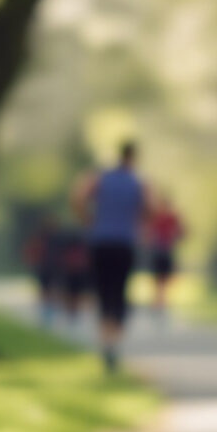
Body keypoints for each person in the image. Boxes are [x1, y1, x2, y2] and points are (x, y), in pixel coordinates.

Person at [71, 141, 150, 371]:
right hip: (124, 243)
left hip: (101, 242)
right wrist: (138, 224)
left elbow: (77, 197)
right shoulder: (138, 182)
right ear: (134, 157)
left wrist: (88, 220)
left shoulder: (100, 178)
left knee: (104, 291)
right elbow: (151, 208)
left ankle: (106, 341)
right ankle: (114, 341)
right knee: (120, 291)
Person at [146, 193, 184, 319]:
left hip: (166, 250)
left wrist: (174, 236)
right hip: (159, 250)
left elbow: (181, 232)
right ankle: (158, 302)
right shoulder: (157, 217)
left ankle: (161, 302)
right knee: (158, 278)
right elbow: (149, 232)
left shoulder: (171, 217)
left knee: (164, 278)